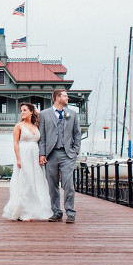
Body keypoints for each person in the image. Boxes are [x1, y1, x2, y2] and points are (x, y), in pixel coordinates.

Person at [2, 102, 53, 221]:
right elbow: (15, 143)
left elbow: (41, 141)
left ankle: (35, 209)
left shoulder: (37, 126)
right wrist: (18, 159)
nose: (22, 112)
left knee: (36, 182)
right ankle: (23, 211)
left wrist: (42, 156)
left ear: (31, 112)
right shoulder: (18, 126)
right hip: (24, 155)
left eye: (25, 110)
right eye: (21, 110)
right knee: (24, 182)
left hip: (35, 155)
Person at [38, 89, 81, 223]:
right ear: (57, 97)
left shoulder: (72, 114)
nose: (67, 98)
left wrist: (75, 151)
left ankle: (70, 212)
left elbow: (77, 134)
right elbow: (42, 136)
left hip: (67, 154)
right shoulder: (44, 114)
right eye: (65, 95)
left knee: (69, 184)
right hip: (51, 154)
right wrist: (42, 154)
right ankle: (56, 212)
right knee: (52, 185)